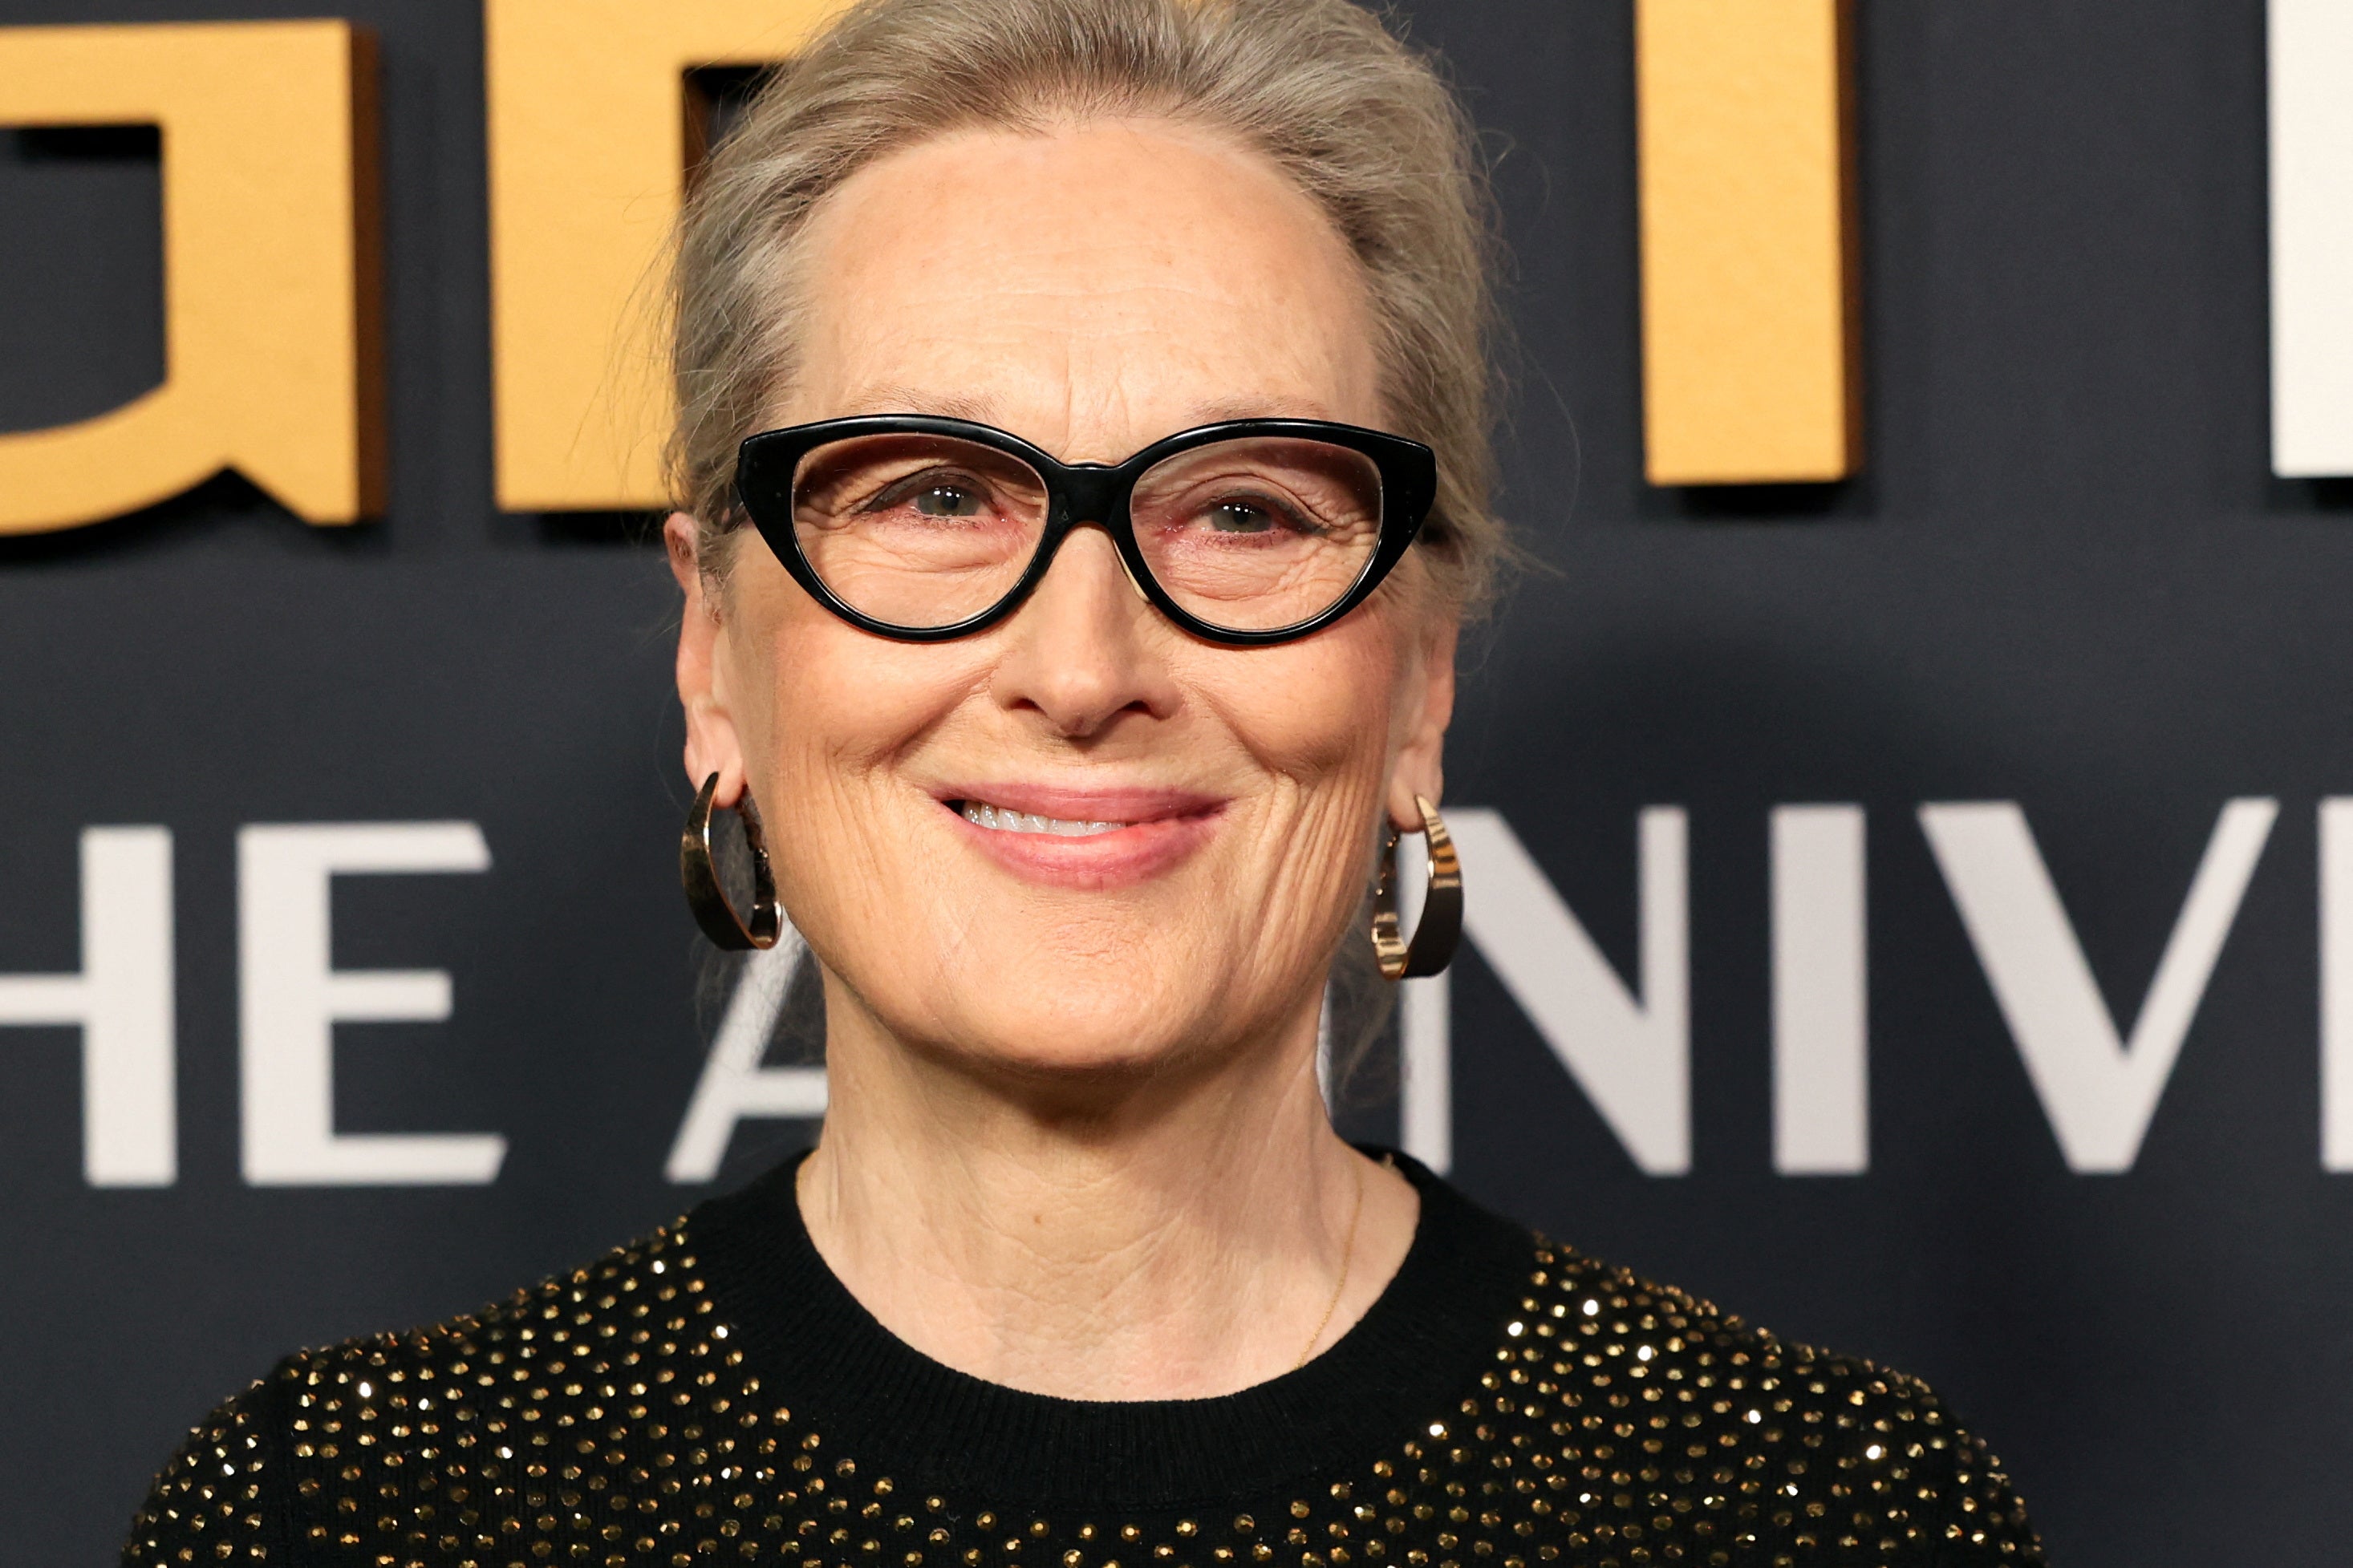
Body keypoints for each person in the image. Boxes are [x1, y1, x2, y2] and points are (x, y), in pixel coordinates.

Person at [124, 0, 2042, 1562]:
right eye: (936, 497)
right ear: (718, 651)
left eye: (1242, 510)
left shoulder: (1810, 1515)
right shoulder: (354, 1516)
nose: (1083, 666)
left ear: (1418, 682)